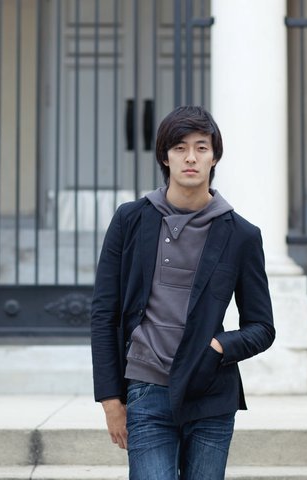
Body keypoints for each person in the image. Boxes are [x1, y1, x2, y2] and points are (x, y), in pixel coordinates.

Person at [90, 105, 275, 479]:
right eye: (180, 148)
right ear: (165, 156)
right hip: (146, 390)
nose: (191, 157)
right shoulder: (130, 220)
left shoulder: (241, 235)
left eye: (201, 148)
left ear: (214, 157)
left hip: (211, 394)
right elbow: (104, 313)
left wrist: (219, 347)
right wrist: (110, 400)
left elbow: (262, 327)